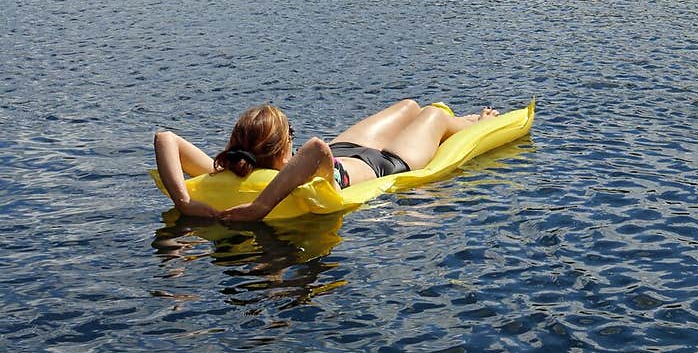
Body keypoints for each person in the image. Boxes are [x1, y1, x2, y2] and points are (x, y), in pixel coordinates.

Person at [154, 99, 499, 223]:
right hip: (389, 162)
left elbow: (165, 138)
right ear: (281, 148)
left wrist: (185, 201)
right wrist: (259, 207)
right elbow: (317, 148)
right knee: (433, 114)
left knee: (408, 106)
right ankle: (475, 124)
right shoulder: (289, 173)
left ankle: (464, 120)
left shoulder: (232, 168)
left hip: (347, 149)